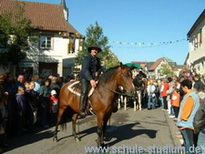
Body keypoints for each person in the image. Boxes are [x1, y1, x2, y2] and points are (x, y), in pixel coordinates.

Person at [176, 79, 200, 154]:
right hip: (189, 124)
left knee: (189, 144)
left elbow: (186, 111)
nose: (182, 89)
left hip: (187, 125)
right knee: (188, 143)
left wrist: (181, 119)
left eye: (182, 87)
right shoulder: (193, 95)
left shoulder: (190, 96)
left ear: (185, 87)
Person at [79, 44, 103, 117]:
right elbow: (85, 70)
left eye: (96, 50)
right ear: (91, 51)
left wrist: (99, 70)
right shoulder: (86, 58)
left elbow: (99, 68)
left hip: (94, 78)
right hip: (85, 77)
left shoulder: (97, 59)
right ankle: (82, 109)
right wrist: (91, 80)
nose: (95, 51)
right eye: (93, 49)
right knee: (85, 91)